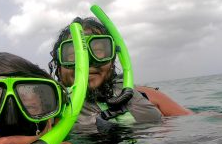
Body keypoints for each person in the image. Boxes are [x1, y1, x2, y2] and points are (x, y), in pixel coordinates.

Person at [49, 16, 192, 129]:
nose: (87, 63)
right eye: (73, 55)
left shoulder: (147, 95)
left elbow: (192, 124)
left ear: (112, 60)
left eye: (98, 52)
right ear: (58, 66)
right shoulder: (48, 114)